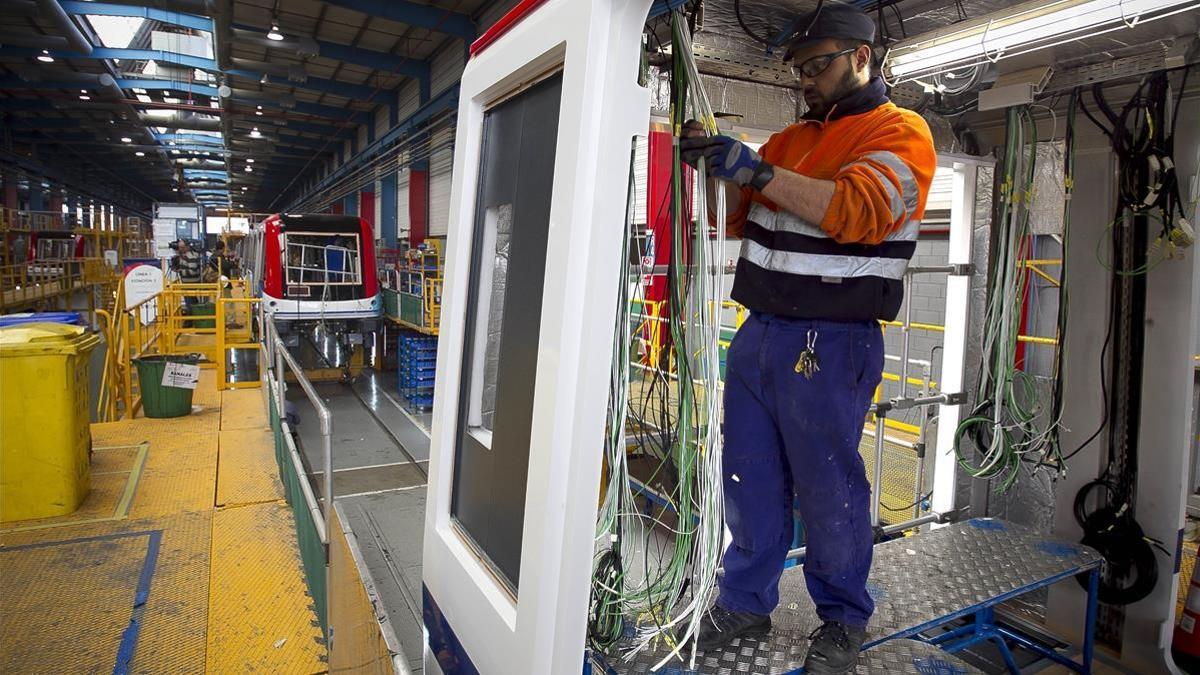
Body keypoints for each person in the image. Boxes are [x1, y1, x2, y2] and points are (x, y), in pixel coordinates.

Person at [680, 3, 937, 672]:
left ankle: (843, 617)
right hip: (760, 333)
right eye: (799, 70)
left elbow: (857, 212)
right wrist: (718, 158)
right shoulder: (793, 141)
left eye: (817, 66)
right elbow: (745, 213)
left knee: (829, 487)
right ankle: (744, 598)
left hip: (831, 342)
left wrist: (758, 174)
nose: (806, 81)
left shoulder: (901, 133)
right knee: (750, 478)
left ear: (861, 57)